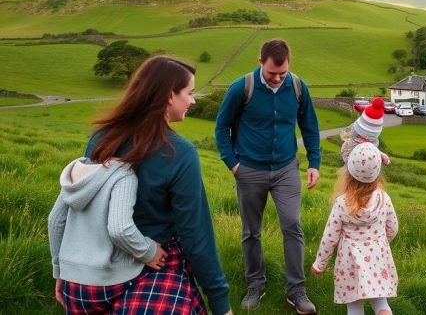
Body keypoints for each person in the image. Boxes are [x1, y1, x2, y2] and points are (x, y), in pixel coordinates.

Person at [59, 55, 231, 314]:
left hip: (94, 269)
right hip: (153, 261)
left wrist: (64, 271)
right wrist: (220, 302)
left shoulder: (101, 138)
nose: (193, 100)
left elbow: (76, 212)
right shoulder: (180, 153)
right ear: (169, 96)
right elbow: (196, 235)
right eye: (190, 92)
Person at [215, 38, 320, 314]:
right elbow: (221, 127)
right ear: (260, 62)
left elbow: (309, 125)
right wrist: (233, 165)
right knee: (251, 231)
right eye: (272, 73)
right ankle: (255, 285)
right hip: (249, 170)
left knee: (292, 225)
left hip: (286, 168)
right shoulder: (242, 88)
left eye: (282, 73)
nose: (277, 79)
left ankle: (296, 290)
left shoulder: (297, 87)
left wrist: (314, 162)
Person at [48, 156, 169, 313]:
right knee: (170, 279)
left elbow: (55, 221)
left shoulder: (78, 169)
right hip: (106, 283)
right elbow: (120, 229)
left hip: (72, 286)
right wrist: (149, 252)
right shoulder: (124, 173)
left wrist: (59, 271)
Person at [311, 142, 399, 315]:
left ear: (349, 173)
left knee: (354, 306)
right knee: (381, 302)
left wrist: (319, 264)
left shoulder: (342, 204)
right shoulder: (383, 198)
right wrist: (380, 242)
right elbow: (393, 228)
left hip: (350, 262)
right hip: (378, 257)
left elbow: (330, 238)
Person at [340, 97, 390, 165]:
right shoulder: (374, 151)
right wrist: (380, 155)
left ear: (356, 130)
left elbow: (344, 152)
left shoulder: (348, 146)